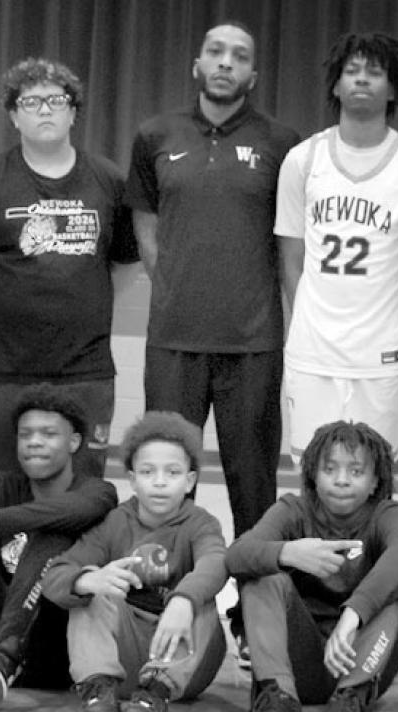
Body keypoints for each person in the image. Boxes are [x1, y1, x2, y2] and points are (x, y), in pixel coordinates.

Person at [126, 20, 300, 552]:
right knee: (166, 479)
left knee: (254, 488)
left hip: (253, 345)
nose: (226, 62)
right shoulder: (155, 136)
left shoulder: (282, 143)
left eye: (240, 56)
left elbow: (289, 241)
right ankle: (164, 594)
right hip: (174, 340)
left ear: (253, 75)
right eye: (216, 52)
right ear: (196, 65)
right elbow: (146, 225)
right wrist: (178, 285)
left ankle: (254, 611)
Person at [0, 57, 138, 478]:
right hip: (0, 367)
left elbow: (125, 266)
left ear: (74, 112)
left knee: (82, 487)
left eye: (57, 100)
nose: (45, 109)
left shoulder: (108, 180)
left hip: (83, 369)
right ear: (13, 115)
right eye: (32, 101)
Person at [275, 32, 398, 468]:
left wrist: (396, 326)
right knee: (312, 469)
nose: (362, 79)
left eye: (375, 72)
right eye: (351, 71)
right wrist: (306, 321)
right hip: (313, 348)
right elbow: (291, 259)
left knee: (374, 471)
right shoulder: (303, 160)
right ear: (335, 85)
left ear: (393, 89)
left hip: (382, 351)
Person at [226, 421, 398, 712]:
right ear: (313, 473)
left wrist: (354, 612)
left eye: (356, 471)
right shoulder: (292, 510)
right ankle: (278, 703)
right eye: (330, 469)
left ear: (376, 482)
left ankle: (348, 707)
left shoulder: (387, 513)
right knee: (262, 573)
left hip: (362, 662)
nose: (342, 480)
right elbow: (236, 555)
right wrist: (288, 553)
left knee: (396, 587)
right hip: (301, 666)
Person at [41, 412, 227, 712]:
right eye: (147, 472)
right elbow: (56, 573)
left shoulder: (201, 523)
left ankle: (153, 697)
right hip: (125, 660)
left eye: (172, 472)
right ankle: (99, 693)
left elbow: (216, 562)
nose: (159, 482)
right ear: (131, 479)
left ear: (190, 480)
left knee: (202, 600)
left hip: (185, 667)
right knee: (89, 588)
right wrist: (86, 581)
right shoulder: (115, 522)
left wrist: (183, 600)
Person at [0, 384, 117, 709]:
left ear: (74, 442)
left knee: (53, 531)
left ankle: (8, 652)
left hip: (54, 652)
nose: (34, 442)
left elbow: (75, 511)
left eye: (48, 434)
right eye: (26, 434)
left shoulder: (98, 492)